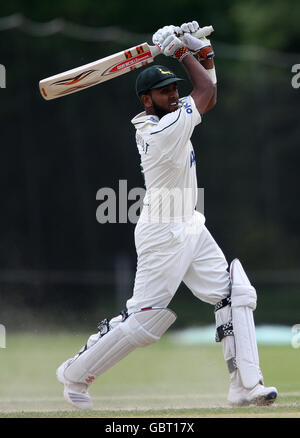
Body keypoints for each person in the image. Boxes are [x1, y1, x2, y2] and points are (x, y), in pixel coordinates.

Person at [56, 21, 278, 410]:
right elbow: (206, 91)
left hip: (189, 221)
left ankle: (245, 385)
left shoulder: (171, 115)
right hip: (162, 232)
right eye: (164, 91)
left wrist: (200, 51)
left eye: (175, 88)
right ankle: (76, 373)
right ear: (147, 100)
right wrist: (180, 52)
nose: (174, 95)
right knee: (144, 323)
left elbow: (207, 93)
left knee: (235, 293)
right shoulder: (162, 131)